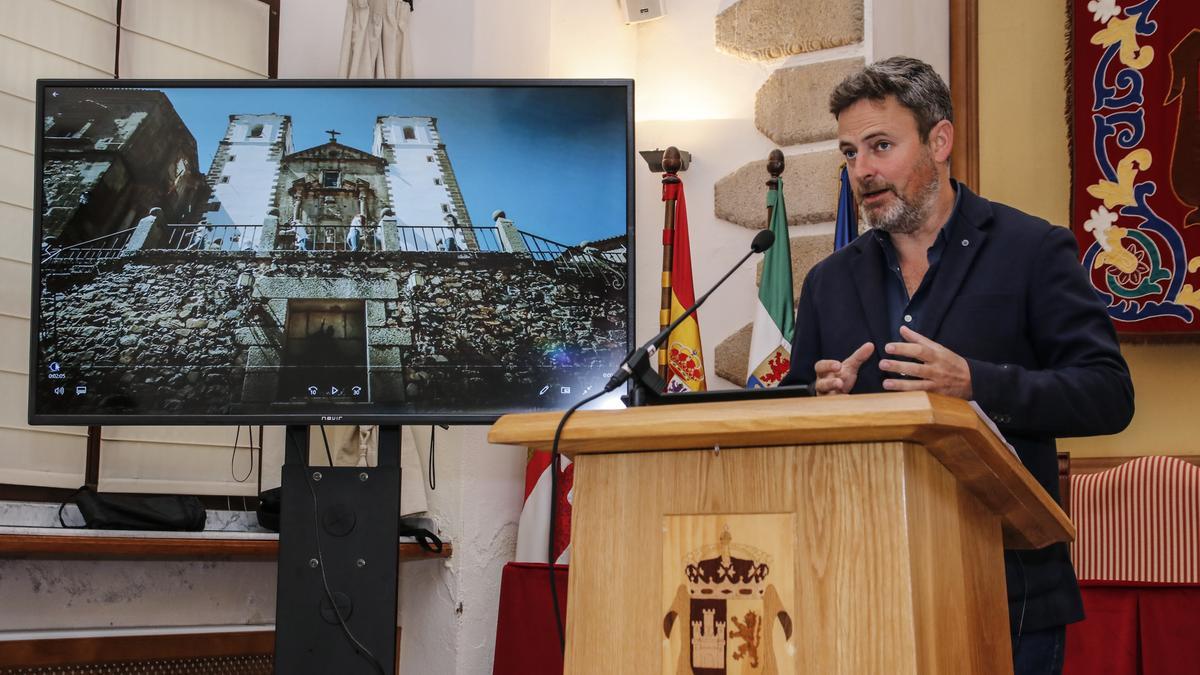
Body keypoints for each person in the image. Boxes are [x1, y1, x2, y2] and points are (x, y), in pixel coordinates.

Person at [779, 56, 1134, 675]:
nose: (862, 170)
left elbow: (1108, 393)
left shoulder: (1031, 250)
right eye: (849, 152)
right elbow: (789, 412)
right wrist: (814, 398)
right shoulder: (830, 282)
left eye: (881, 145)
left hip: (1007, 591)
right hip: (859, 586)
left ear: (939, 141)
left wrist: (976, 383)